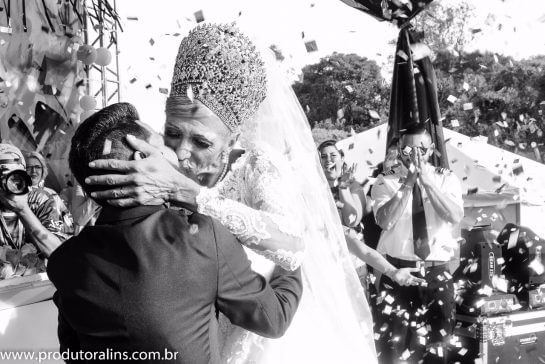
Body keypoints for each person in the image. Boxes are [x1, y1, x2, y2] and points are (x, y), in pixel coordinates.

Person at [85, 23, 375, 363]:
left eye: (201, 142)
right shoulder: (155, 165)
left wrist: (191, 193)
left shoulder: (258, 167)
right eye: (172, 133)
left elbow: (294, 246)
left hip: (261, 336)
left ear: (233, 139)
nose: (180, 152)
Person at [47, 102, 303, 363]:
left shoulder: (65, 261)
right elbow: (274, 319)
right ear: (141, 160)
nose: (178, 153)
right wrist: (290, 259)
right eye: (163, 144)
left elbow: (73, 352)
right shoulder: (200, 237)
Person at [371, 126, 464, 364]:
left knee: (438, 347)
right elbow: (384, 220)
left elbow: (454, 216)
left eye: (421, 149)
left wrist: (428, 183)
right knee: (395, 346)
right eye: (409, 149)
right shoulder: (385, 181)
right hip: (399, 273)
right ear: (400, 151)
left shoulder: (446, 178)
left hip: (436, 272)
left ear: (431, 149)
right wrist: (409, 182)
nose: (415, 154)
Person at [317, 140, 425, 289]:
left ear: (342, 158)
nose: (328, 160)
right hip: (323, 263)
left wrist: (343, 187)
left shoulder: (353, 186)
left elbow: (352, 221)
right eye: (323, 157)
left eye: (333, 155)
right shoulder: (314, 191)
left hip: (353, 259)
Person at [0, 144, 66, 279]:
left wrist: (23, 209)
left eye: (15, 177)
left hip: (37, 284)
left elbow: (60, 253)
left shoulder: (40, 199)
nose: (9, 183)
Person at [24, 151, 74, 235]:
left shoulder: (51, 192)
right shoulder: (18, 195)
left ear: (43, 170)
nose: (33, 171)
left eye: (37, 167)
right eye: (29, 167)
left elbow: (68, 221)